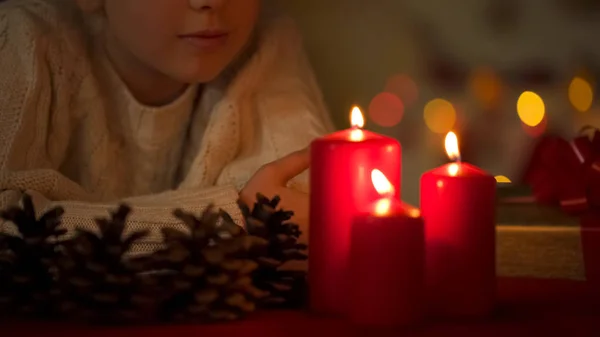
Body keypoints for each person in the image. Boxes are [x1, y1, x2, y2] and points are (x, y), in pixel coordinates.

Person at [0, 0, 333, 251]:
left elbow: (298, 206)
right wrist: (234, 223)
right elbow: (8, 227)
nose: (212, 1)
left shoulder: (265, 43)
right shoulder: (23, 41)